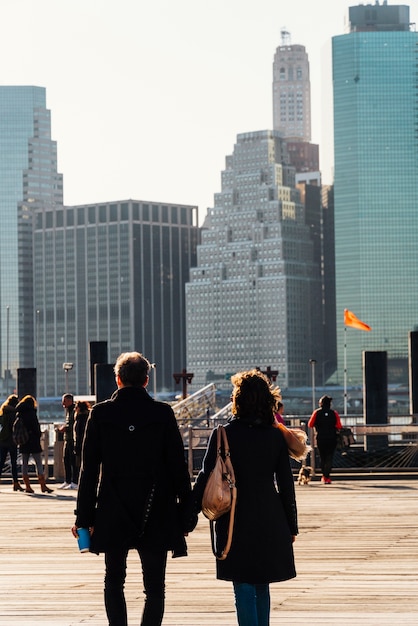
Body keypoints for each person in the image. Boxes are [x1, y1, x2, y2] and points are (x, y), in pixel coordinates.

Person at [72, 351, 195, 626]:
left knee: (113, 580)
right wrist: (186, 513)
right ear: (146, 381)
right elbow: (178, 468)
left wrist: (83, 519)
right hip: (157, 510)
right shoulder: (162, 413)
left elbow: (88, 471)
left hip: (113, 509)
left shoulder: (100, 414)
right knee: (154, 588)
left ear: (118, 380)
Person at [191, 369, 298, 626]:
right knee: (262, 583)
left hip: (234, 516)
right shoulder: (275, 436)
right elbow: (286, 484)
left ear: (237, 399)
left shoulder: (223, 434)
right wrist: (291, 526)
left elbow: (205, 478)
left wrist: (186, 517)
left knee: (244, 584)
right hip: (270, 515)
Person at [15, 395, 53, 494]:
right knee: (39, 463)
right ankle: (43, 485)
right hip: (33, 441)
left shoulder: (19, 413)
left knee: (24, 463)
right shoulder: (32, 413)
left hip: (23, 441)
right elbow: (35, 427)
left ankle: (27, 486)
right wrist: (38, 434)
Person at [308, 395, 343, 484]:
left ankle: (324, 476)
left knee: (322, 457)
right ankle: (327, 476)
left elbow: (310, 424)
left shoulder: (316, 412)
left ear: (321, 403)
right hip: (332, 438)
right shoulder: (334, 413)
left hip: (321, 438)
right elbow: (339, 426)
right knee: (329, 457)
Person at [0, 394, 23, 491]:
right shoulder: (14, 414)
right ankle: (15, 483)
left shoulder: (3, 412)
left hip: (2, 440)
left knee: (1, 462)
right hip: (12, 441)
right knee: (14, 462)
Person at [59, 393, 78, 489]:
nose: (63, 403)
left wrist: (66, 428)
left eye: (65, 401)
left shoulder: (74, 411)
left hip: (72, 439)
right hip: (67, 439)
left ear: (70, 401)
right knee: (66, 460)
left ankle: (75, 481)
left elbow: (74, 424)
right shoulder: (68, 411)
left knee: (73, 461)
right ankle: (67, 481)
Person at [73, 400, 91, 473]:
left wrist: (77, 446)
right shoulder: (87, 417)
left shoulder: (80, 418)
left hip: (81, 445)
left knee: (80, 465)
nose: (75, 409)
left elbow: (79, 434)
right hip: (86, 445)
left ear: (79, 408)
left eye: (76, 407)